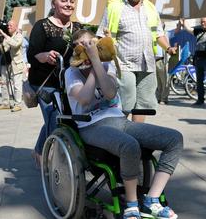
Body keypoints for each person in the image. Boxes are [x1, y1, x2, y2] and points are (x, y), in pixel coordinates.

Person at [66, 29, 182, 219]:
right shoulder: (71, 73)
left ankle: (152, 200)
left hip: (119, 120)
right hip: (91, 126)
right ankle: (131, 205)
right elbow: (85, 99)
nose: (88, 48)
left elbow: (110, 93)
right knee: (129, 145)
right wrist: (94, 65)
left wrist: (98, 63)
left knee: (174, 139)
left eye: (92, 44)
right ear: (75, 49)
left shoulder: (107, 66)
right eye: (83, 45)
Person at [96, 0, 176, 123]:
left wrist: (168, 49)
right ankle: (119, 135)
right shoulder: (113, 6)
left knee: (142, 105)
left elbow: (159, 34)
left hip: (148, 64)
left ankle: (137, 136)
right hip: (123, 64)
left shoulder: (151, 7)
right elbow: (101, 36)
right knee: (126, 103)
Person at [27, 0, 83, 166]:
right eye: (64, 1)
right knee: (56, 119)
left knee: (57, 118)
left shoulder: (77, 28)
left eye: (71, 1)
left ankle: (39, 150)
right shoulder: (42, 26)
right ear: (54, 4)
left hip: (68, 83)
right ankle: (54, 160)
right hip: (45, 83)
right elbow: (31, 54)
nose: (68, 4)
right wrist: (43, 56)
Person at [180, 17, 206, 107]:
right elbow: (188, 29)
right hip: (198, 59)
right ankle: (200, 100)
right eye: (202, 22)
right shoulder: (198, 30)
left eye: (205, 22)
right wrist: (184, 21)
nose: (203, 23)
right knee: (199, 81)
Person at [0, 21, 26, 112]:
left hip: (16, 63)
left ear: (16, 27)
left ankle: (18, 104)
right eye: (8, 25)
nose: (8, 27)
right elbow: (3, 49)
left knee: (17, 84)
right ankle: (5, 103)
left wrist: (4, 35)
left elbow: (15, 45)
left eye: (11, 25)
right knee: (4, 83)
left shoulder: (18, 35)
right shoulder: (7, 36)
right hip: (6, 62)